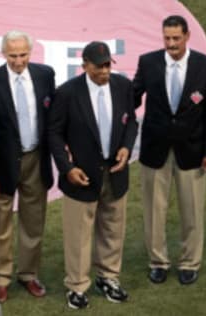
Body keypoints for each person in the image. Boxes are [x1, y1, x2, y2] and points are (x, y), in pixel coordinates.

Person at [133, 15, 206, 285]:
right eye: (167, 38)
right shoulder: (148, 62)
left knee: (192, 210)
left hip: (193, 151)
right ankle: (157, 261)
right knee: (153, 210)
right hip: (154, 149)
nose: (171, 43)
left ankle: (189, 262)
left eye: (176, 38)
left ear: (187, 36)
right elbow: (133, 96)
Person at [48, 41, 138, 309]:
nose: (104, 71)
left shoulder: (123, 87)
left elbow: (131, 120)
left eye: (108, 65)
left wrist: (125, 147)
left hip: (115, 173)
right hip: (81, 176)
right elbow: (53, 133)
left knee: (113, 228)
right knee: (78, 234)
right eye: (99, 66)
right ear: (84, 65)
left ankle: (108, 278)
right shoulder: (66, 93)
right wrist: (67, 168)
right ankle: (76, 285)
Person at [0, 30, 55, 303]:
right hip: (3, 165)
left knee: (34, 220)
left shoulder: (46, 75)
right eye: (13, 55)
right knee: (0, 223)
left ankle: (29, 274)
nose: (19, 60)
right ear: (3, 53)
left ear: (30, 52)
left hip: (36, 159)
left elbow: (51, 117)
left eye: (23, 54)